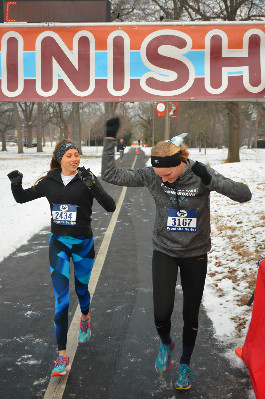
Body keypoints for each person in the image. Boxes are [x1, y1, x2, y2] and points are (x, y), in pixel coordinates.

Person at [102, 117, 252, 391]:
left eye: (169, 175)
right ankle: (165, 342)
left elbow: (245, 194)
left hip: (195, 253)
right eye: (160, 176)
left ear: (180, 163)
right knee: (161, 313)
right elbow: (111, 176)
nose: (164, 180)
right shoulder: (152, 175)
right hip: (165, 250)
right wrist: (110, 141)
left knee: (190, 314)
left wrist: (212, 182)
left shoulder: (202, 174)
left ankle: (185, 364)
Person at [7, 139, 116, 377]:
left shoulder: (87, 179)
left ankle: (85, 316)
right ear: (60, 159)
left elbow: (110, 206)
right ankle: (61, 356)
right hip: (58, 245)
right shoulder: (49, 181)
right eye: (69, 155)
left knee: (82, 289)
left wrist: (94, 185)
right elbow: (22, 198)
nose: (75, 159)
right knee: (61, 300)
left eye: (77, 154)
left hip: (83, 244)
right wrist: (16, 183)